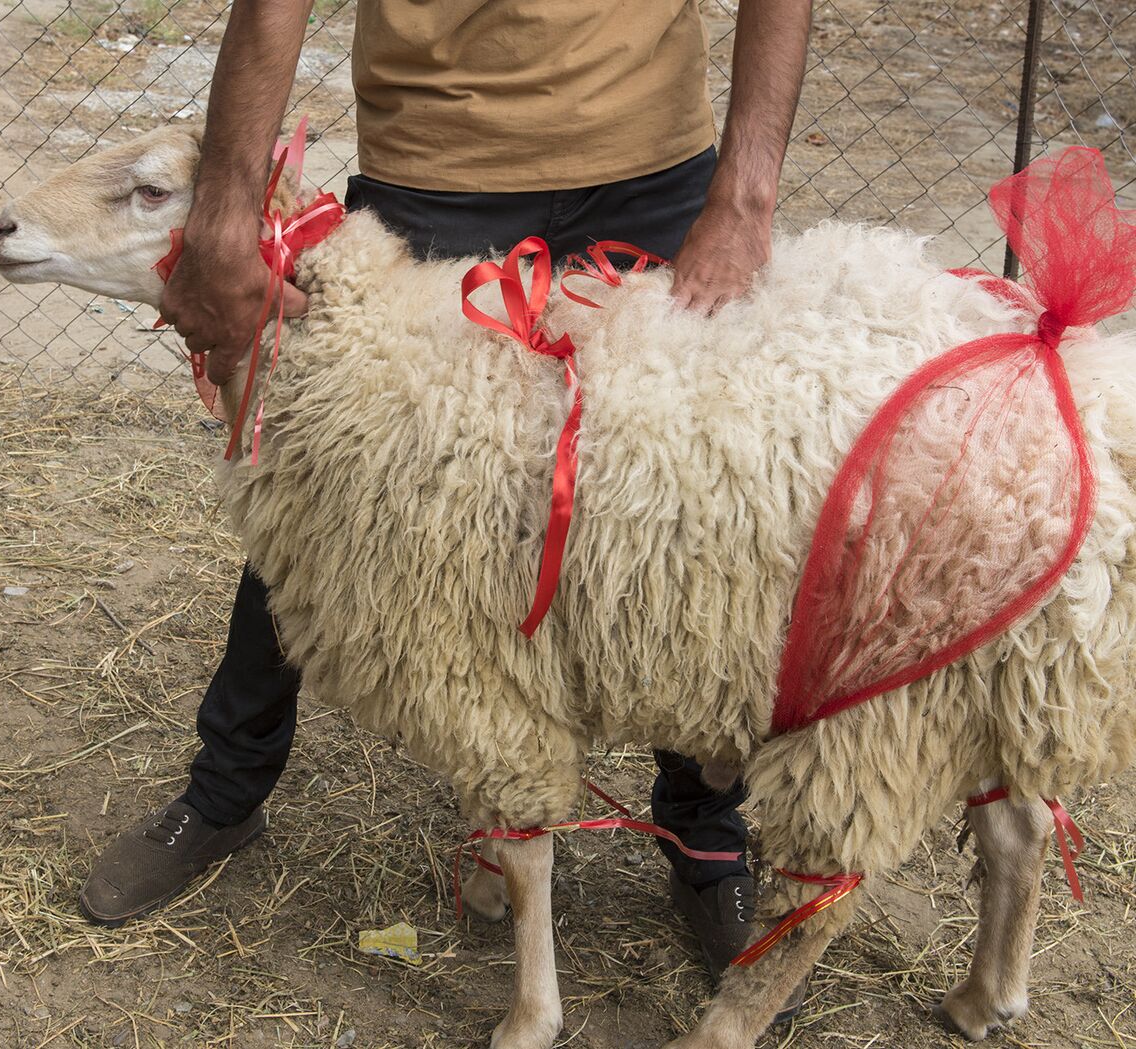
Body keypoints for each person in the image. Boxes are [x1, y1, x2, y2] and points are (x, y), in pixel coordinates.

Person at [80, 0, 812, 995]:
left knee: (681, 515)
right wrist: (223, 200)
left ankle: (703, 840)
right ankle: (223, 792)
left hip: (649, 165)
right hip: (438, 168)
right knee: (326, 487)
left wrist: (745, 190)